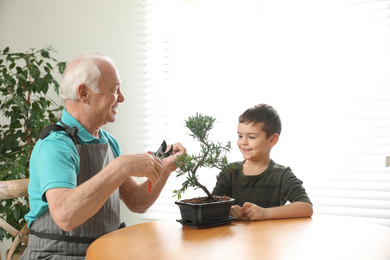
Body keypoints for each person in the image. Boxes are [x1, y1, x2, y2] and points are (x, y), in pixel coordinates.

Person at [21, 52, 186, 259]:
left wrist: (164, 168)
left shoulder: (108, 141)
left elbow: (137, 202)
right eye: (115, 89)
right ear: (84, 93)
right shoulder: (55, 145)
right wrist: (121, 166)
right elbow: (65, 216)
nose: (122, 98)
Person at [212, 104, 313, 221]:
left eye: (251, 137)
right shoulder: (229, 172)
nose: (243, 142)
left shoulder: (282, 174)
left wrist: (264, 213)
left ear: (272, 140)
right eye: (240, 135)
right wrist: (227, 209)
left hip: (269, 237)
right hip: (234, 238)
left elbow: (306, 207)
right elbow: (211, 205)